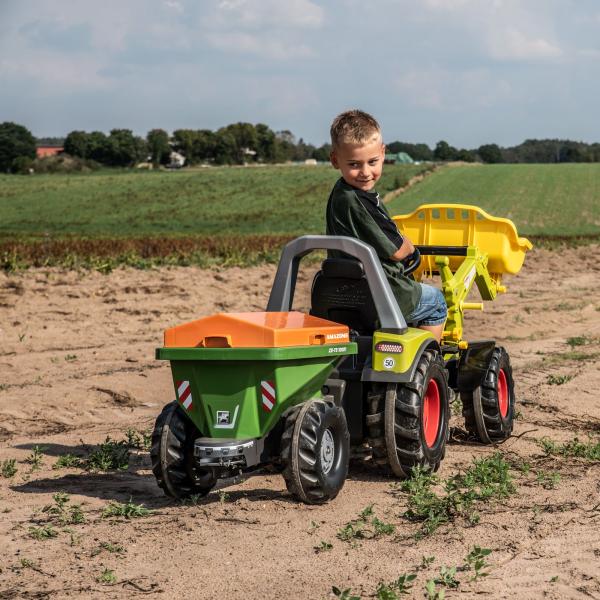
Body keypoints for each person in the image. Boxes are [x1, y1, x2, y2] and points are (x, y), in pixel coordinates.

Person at [326, 109, 447, 343]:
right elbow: (396, 250)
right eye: (354, 164)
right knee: (437, 303)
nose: (365, 172)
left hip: (343, 293)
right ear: (334, 160)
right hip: (384, 294)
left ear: (383, 153)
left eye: (372, 162)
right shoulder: (360, 201)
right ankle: (429, 360)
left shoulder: (340, 195)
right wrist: (411, 248)